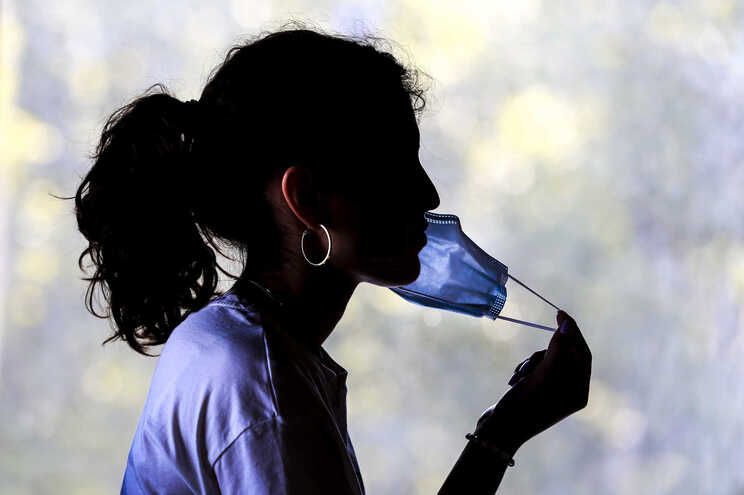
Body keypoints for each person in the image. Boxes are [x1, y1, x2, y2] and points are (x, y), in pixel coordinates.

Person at [71, 20, 591, 495]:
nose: (429, 196)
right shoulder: (265, 395)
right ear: (307, 199)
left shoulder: (238, 347)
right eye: (397, 168)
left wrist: (502, 431)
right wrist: (502, 435)